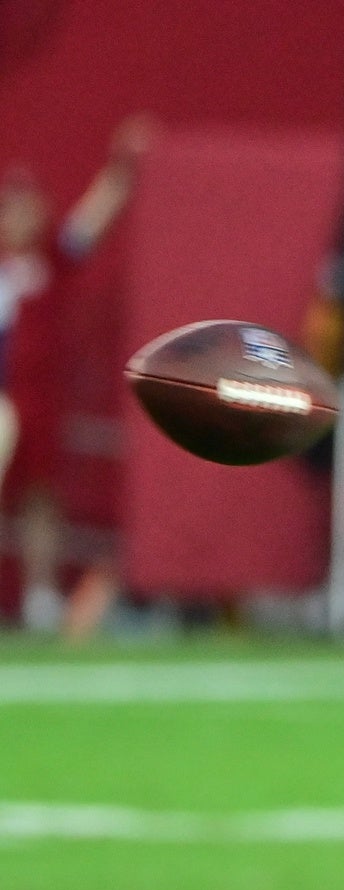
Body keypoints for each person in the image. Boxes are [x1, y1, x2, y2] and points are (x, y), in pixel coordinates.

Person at [0, 114, 151, 634]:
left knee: (41, 498)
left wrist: (123, 166)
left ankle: (41, 595)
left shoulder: (52, 261)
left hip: (37, 399)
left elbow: (93, 219)